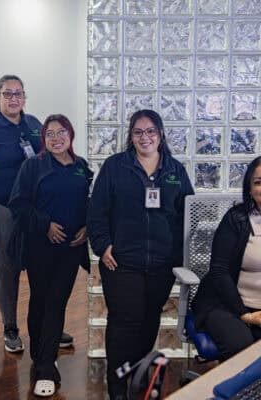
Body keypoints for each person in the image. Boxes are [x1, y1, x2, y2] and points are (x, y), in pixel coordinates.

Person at [87, 109, 194, 400]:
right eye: (138, 132)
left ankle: (138, 377)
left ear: (160, 135)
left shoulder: (174, 171)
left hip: (161, 265)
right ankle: (118, 388)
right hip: (121, 263)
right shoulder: (115, 167)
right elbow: (97, 211)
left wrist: (180, 254)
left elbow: (188, 214)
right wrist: (103, 245)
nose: (144, 137)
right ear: (131, 137)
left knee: (149, 322)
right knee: (124, 323)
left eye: (150, 131)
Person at [0, 75, 73, 352]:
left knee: (44, 268)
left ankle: (49, 326)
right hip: (3, 211)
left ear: (24, 97)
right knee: (9, 269)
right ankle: (10, 328)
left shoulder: (35, 125)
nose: (13, 99)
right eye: (7, 93)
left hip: (36, 211)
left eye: (18, 93)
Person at [8, 114, 93, 397]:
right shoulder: (33, 166)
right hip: (40, 247)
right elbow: (18, 204)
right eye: (49, 133)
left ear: (71, 135)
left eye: (61, 132)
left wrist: (86, 228)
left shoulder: (81, 167)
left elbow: (88, 202)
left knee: (57, 302)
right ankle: (42, 358)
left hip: (70, 249)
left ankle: (45, 363)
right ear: (43, 138)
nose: (56, 138)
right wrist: (45, 225)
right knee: (41, 300)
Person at [192, 156, 261, 361]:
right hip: (226, 304)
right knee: (241, 348)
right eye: (258, 182)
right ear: (249, 189)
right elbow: (219, 271)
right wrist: (244, 314)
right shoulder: (236, 219)